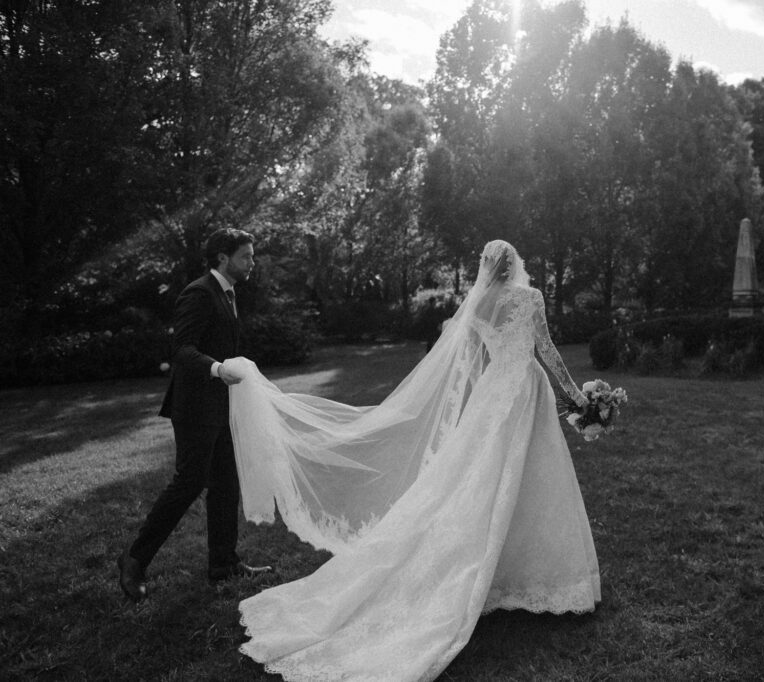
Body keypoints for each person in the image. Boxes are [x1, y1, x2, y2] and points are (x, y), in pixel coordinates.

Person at [226, 240, 601, 680]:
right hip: (527, 392)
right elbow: (549, 352)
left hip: (495, 393)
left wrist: (486, 401)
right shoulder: (529, 297)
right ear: (514, 264)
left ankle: (504, 567)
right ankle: (530, 574)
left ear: (485, 268)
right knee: (529, 476)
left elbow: (477, 363)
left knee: (483, 479)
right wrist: (580, 400)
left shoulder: (478, 304)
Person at [117, 228, 272, 602]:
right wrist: (219, 369)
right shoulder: (200, 293)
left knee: (224, 483)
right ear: (222, 256)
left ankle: (223, 563)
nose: (252, 262)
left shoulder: (229, 293)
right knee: (189, 482)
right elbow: (181, 350)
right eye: (245, 256)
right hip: (195, 408)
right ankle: (134, 559)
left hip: (223, 407)